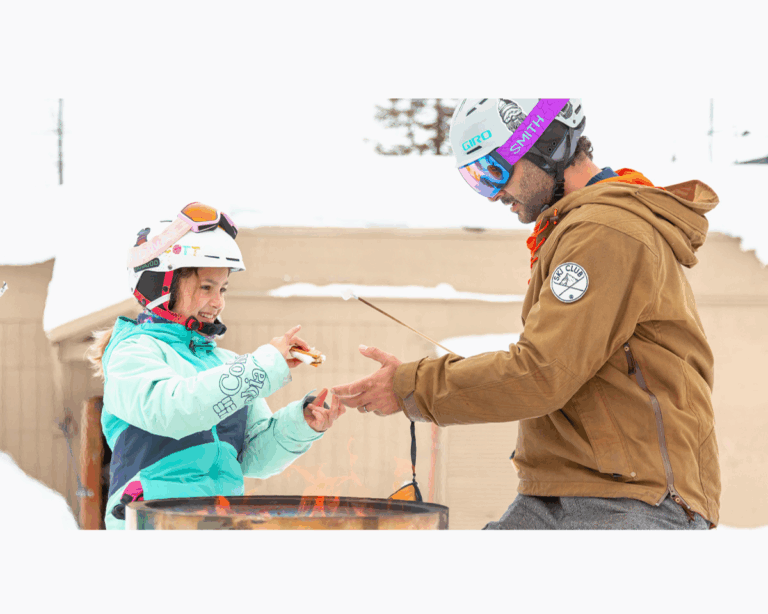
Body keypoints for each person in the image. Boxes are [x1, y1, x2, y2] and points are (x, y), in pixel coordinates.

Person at [332, 98, 721, 530]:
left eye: (493, 170)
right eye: (476, 178)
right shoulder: (578, 229)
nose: (494, 192)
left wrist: (411, 386)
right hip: (566, 487)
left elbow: (543, 372)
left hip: (632, 499)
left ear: (545, 145)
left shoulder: (604, 233)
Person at [88, 203, 344, 530]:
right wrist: (261, 367)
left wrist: (302, 423)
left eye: (222, 289)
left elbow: (253, 457)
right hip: (152, 523)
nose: (218, 302)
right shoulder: (132, 354)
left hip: (217, 523)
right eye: (206, 287)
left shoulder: (227, 363)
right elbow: (174, 410)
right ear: (160, 286)